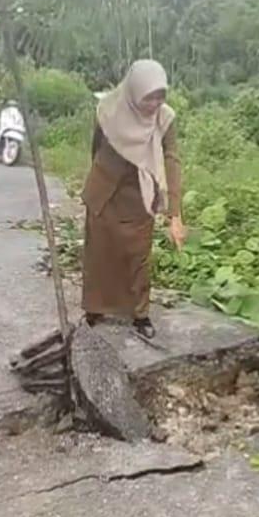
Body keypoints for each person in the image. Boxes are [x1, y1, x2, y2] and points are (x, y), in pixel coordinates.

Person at [80, 59, 187, 339]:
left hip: (141, 194)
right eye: (148, 97)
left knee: (138, 258)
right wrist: (97, 180)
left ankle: (140, 314)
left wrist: (174, 213)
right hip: (105, 192)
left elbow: (172, 159)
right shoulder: (107, 109)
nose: (155, 104)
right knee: (99, 254)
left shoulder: (165, 118)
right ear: (133, 92)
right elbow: (96, 147)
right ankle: (95, 308)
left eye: (160, 96)